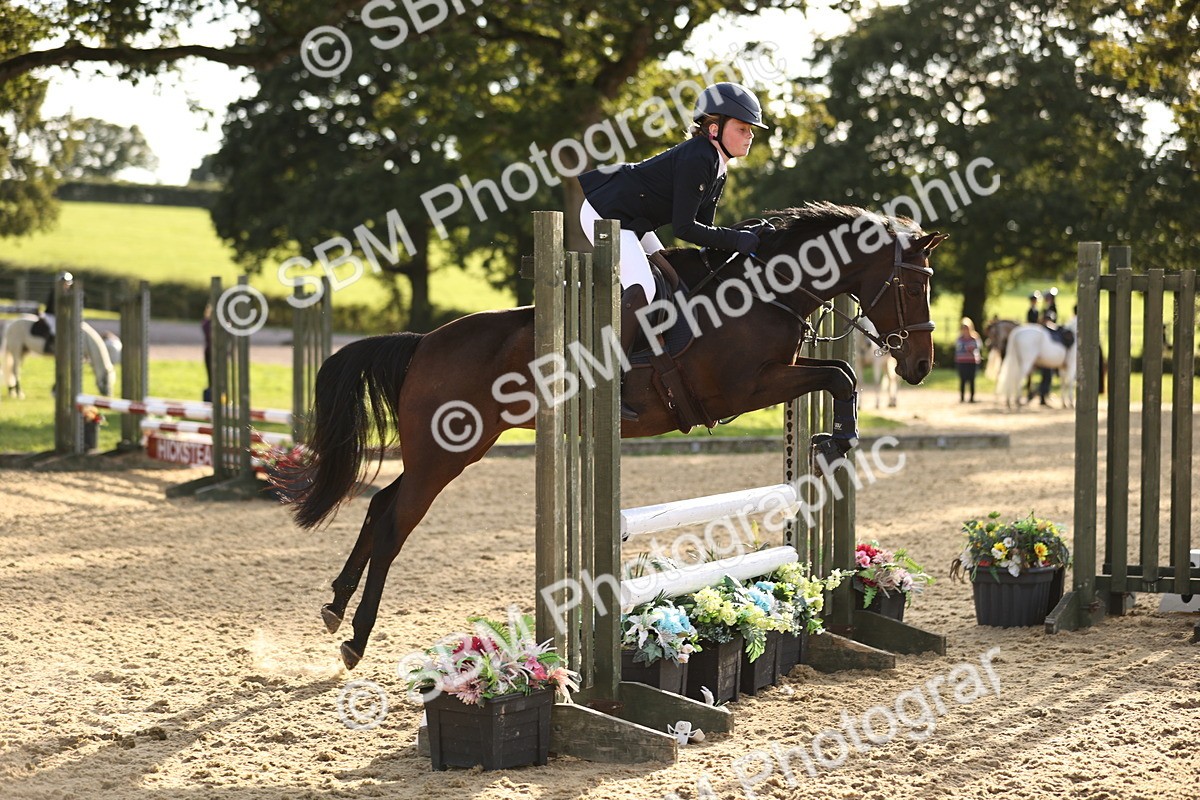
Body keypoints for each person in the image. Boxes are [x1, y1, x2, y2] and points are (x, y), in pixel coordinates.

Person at [577, 82, 769, 419]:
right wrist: (736, 240)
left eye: (750, 130)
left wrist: (739, 237)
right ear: (715, 129)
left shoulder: (717, 164)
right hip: (605, 212)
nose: (749, 136)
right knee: (644, 287)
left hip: (632, 218)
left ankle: (649, 357)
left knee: (670, 274)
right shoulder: (700, 156)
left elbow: (705, 231)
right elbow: (685, 229)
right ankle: (603, 383)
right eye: (742, 128)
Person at [955, 318, 983, 403]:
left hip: (972, 362)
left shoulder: (974, 338)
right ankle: (962, 397)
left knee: (972, 380)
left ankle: (972, 398)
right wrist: (968, 349)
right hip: (962, 361)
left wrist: (967, 349)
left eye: (966, 328)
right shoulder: (959, 339)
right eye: (963, 328)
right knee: (962, 380)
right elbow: (959, 349)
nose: (965, 330)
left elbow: (977, 347)